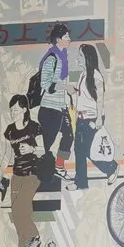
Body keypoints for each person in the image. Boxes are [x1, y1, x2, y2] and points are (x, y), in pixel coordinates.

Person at [2, 92, 43, 247]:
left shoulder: (34, 127)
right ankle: (23, 246)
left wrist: (32, 149)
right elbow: (7, 154)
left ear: (25, 110)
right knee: (16, 211)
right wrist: (0, 174)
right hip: (17, 174)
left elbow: (45, 150)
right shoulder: (10, 130)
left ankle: (34, 237)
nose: (13, 113)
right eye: (11, 110)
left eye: (16, 110)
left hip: (32, 173)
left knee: (21, 208)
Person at [69, 38, 107, 187]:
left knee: (88, 150)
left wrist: (99, 119)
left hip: (91, 118)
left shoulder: (96, 75)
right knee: (79, 150)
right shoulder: (82, 74)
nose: (78, 58)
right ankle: (81, 183)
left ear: (88, 58)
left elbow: (100, 98)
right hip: (81, 118)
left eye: (80, 56)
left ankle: (111, 168)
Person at [35, 27, 74, 165]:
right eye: (66, 37)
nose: (69, 39)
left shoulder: (63, 57)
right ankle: (46, 171)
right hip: (49, 109)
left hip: (61, 107)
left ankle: (59, 165)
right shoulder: (51, 58)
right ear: (58, 40)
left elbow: (62, 80)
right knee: (48, 144)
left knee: (69, 135)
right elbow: (45, 84)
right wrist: (65, 87)